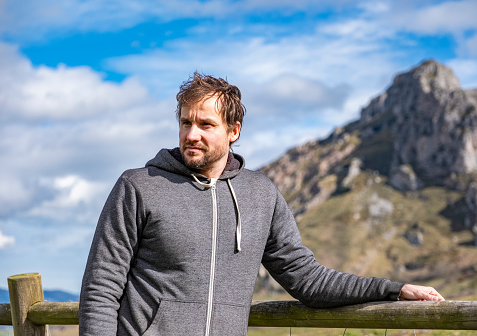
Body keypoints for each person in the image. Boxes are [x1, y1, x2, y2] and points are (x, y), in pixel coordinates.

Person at [79, 72, 444, 336]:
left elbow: (308, 279)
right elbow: (101, 286)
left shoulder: (260, 194)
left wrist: (392, 289)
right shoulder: (139, 185)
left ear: (233, 130)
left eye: (206, 125)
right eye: (186, 122)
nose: (192, 134)